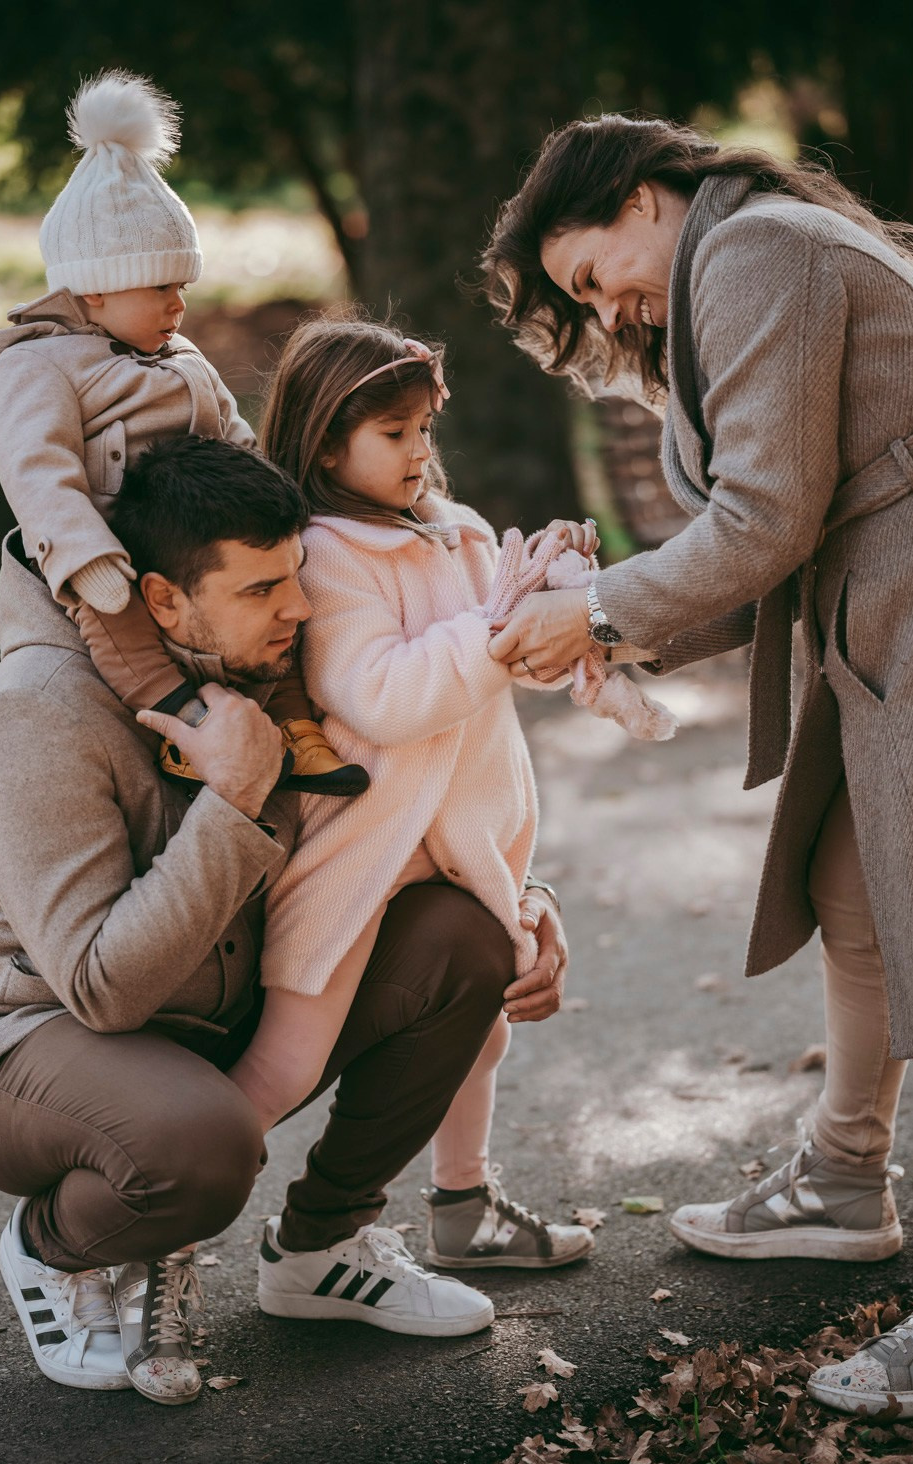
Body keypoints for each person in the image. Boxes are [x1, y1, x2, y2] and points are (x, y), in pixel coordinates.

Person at [0, 435, 569, 1408]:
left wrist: (526, 901)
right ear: (162, 600)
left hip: (208, 1018)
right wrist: (233, 799)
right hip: (28, 1047)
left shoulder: (270, 668)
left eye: (296, 576)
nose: (298, 608)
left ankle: (322, 1248)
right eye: (263, 588)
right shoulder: (39, 714)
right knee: (201, 1144)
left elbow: (409, 799)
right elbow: (101, 989)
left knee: (463, 941)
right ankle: (55, 1247)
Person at [480, 112, 913, 1414]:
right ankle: (839, 1179)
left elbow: (761, 518)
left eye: (589, 274)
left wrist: (597, 609)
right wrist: (613, 633)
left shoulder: (753, 249)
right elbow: (773, 541)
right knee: (851, 892)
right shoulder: (738, 262)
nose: (604, 309)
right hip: (879, 625)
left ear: (640, 193)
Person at [228, 313, 594, 1272]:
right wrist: (499, 624)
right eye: (393, 433)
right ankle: (159, 1212)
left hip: (463, 839)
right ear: (324, 441)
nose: (420, 451)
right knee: (285, 1065)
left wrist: (559, 602)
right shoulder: (324, 554)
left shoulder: (459, 534)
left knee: (482, 1031)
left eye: (425, 428)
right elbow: (382, 696)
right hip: (364, 853)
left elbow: (512, 664)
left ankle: (464, 1203)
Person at [0, 67, 363, 797]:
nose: (179, 306)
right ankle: (185, 722)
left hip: (196, 525)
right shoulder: (39, 366)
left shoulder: (179, 357)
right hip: (111, 548)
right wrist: (87, 557)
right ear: (95, 285)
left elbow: (232, 431)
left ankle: (296, 726)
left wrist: (268, 499)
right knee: (120, 624)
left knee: (276, 605)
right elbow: (37, 471)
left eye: (182, 286)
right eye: (161, 286)